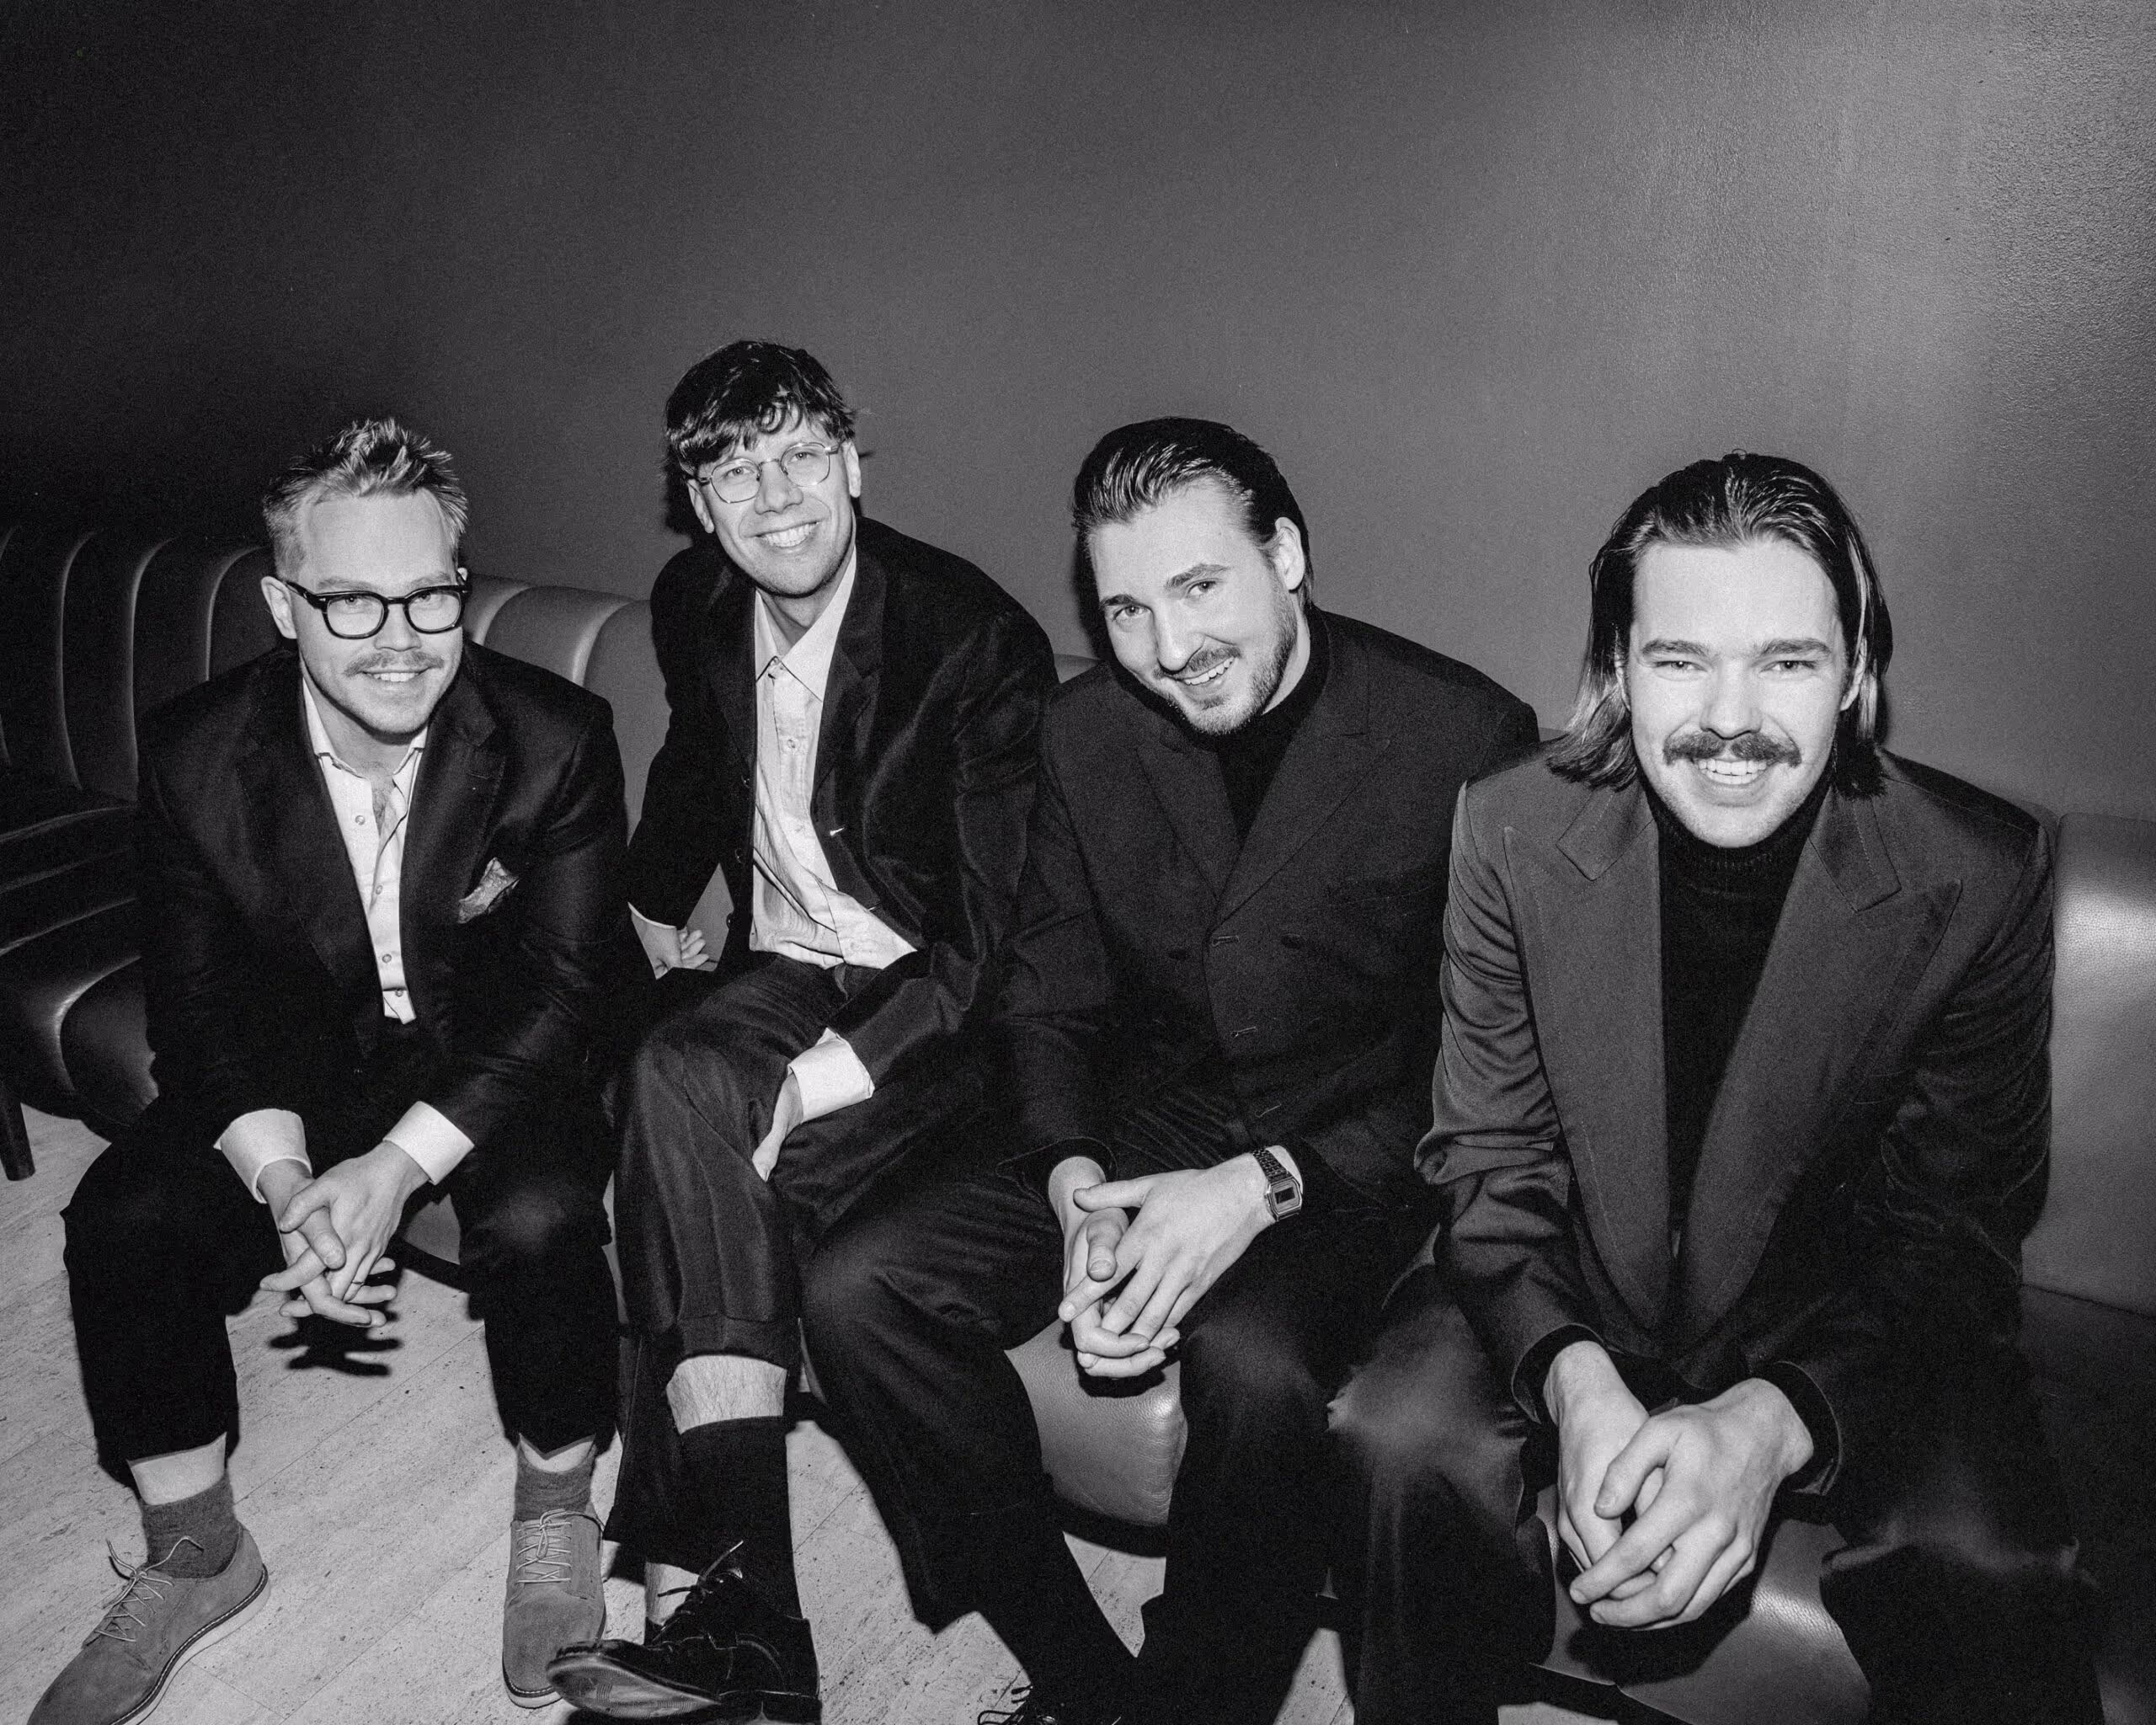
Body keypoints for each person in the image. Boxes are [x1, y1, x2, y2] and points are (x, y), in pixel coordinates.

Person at [1331, 451, 2105, 1724]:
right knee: (1395, 1438)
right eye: (1681, 660)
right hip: (1571, 1274)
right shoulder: (1510, 826)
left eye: (1786, 662)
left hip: (1841, 1309)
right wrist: (1573, 1377)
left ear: (1854, 673)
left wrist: (1774, 1423)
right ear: (1618, 670)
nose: (1730, 719)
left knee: (1988, 1565)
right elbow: (1488, 1159)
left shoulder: (1977, 872)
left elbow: (1952, 1229)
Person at [801, 418, 1540, 1725]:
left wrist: (1262, 1186)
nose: (1168, 646)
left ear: (1288, 556)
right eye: (1126, 610)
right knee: (858, 1289)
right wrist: (1077, 1186)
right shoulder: (1086, 731)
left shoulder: (1462, 735)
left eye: (1200, 587)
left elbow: (1482, 1059)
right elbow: (1050, 989)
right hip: (1164, 1109)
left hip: (1356, 1146)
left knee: (1253, 1366)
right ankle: (1084, 1679)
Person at [36, 417, 630, 1725]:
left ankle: (555, 1502)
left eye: (429, 594)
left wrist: (398, 1168)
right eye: (351, 600)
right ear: (281, 606)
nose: (400, 638)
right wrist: (287, 1175)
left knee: (541, 1215)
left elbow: (570, 997)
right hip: (302, 1057)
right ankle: (198, 1548)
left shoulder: (555, 736)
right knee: (123, 1216)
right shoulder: (194, 752)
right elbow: (195, 1011)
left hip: (501, 1056)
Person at [547, 341, 1055, 1722]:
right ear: (697, 504)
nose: (775, 499)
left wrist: (826, 1076)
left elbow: (991, 940)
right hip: (783, 964)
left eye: (800, 458)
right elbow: (698, 765)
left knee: (692, 1172)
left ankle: (707, 1601)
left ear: (851, 461)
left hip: (931, 1008)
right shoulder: (697, 600)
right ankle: (751, 1609)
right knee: (665, 1071)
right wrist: (645, 903)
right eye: (734, 473)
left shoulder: (972, 640)